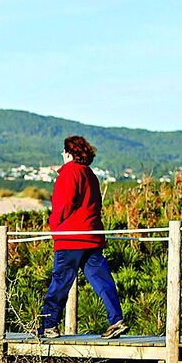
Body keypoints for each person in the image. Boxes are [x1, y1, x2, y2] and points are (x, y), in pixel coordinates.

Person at [38, 135, 128, 339]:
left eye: (63, 152)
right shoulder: (90, 174)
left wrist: (54, 228)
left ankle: (49, 325)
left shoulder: (69, 173)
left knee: (60, 282)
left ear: (68, 153)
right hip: (92, 236)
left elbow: (63, 205)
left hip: (71, 238)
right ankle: (116, 319)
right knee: (102, 280)